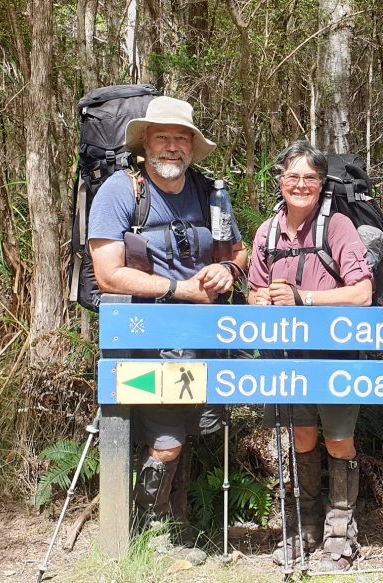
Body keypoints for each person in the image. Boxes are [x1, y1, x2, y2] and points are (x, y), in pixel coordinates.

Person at [87, 96, 248, 535]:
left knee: (192, 429)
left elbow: (238, 251)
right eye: (163, 138)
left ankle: (178, 524)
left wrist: (227, 270)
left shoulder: (209, 192)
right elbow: (108, 274)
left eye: (182, 138)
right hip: (148, 339)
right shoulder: (121, 191)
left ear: (193, 146)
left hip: (205, 339)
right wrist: (179, 290)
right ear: (146, 143)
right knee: (166, 441)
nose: (172, 147)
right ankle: (151, 531)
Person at [247, 140, 372, 571]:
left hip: (335, 354)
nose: (300, 185)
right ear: (280, 181)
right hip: (286, 356)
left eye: (310, 178)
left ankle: (341, 530)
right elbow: (254, 291)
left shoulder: (337, 227)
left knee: (338, 440)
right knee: (301, 437)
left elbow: (362, 293)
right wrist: (260, 301)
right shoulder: (267, 233)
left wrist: (304, 298)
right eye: (292, 176)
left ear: (321, 184)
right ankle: (304, 527)